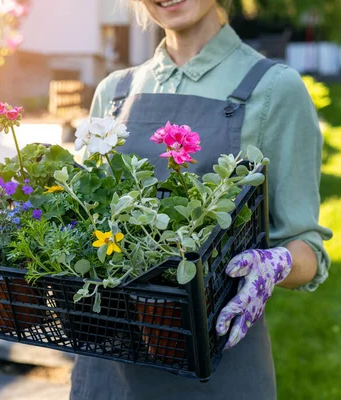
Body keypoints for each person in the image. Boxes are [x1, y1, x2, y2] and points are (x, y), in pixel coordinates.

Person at [69, 1, 332, 399]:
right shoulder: (115, 92)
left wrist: (275, 264)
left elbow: (306, 250)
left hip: (216, 370)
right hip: (109, 367)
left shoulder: (274, 89)